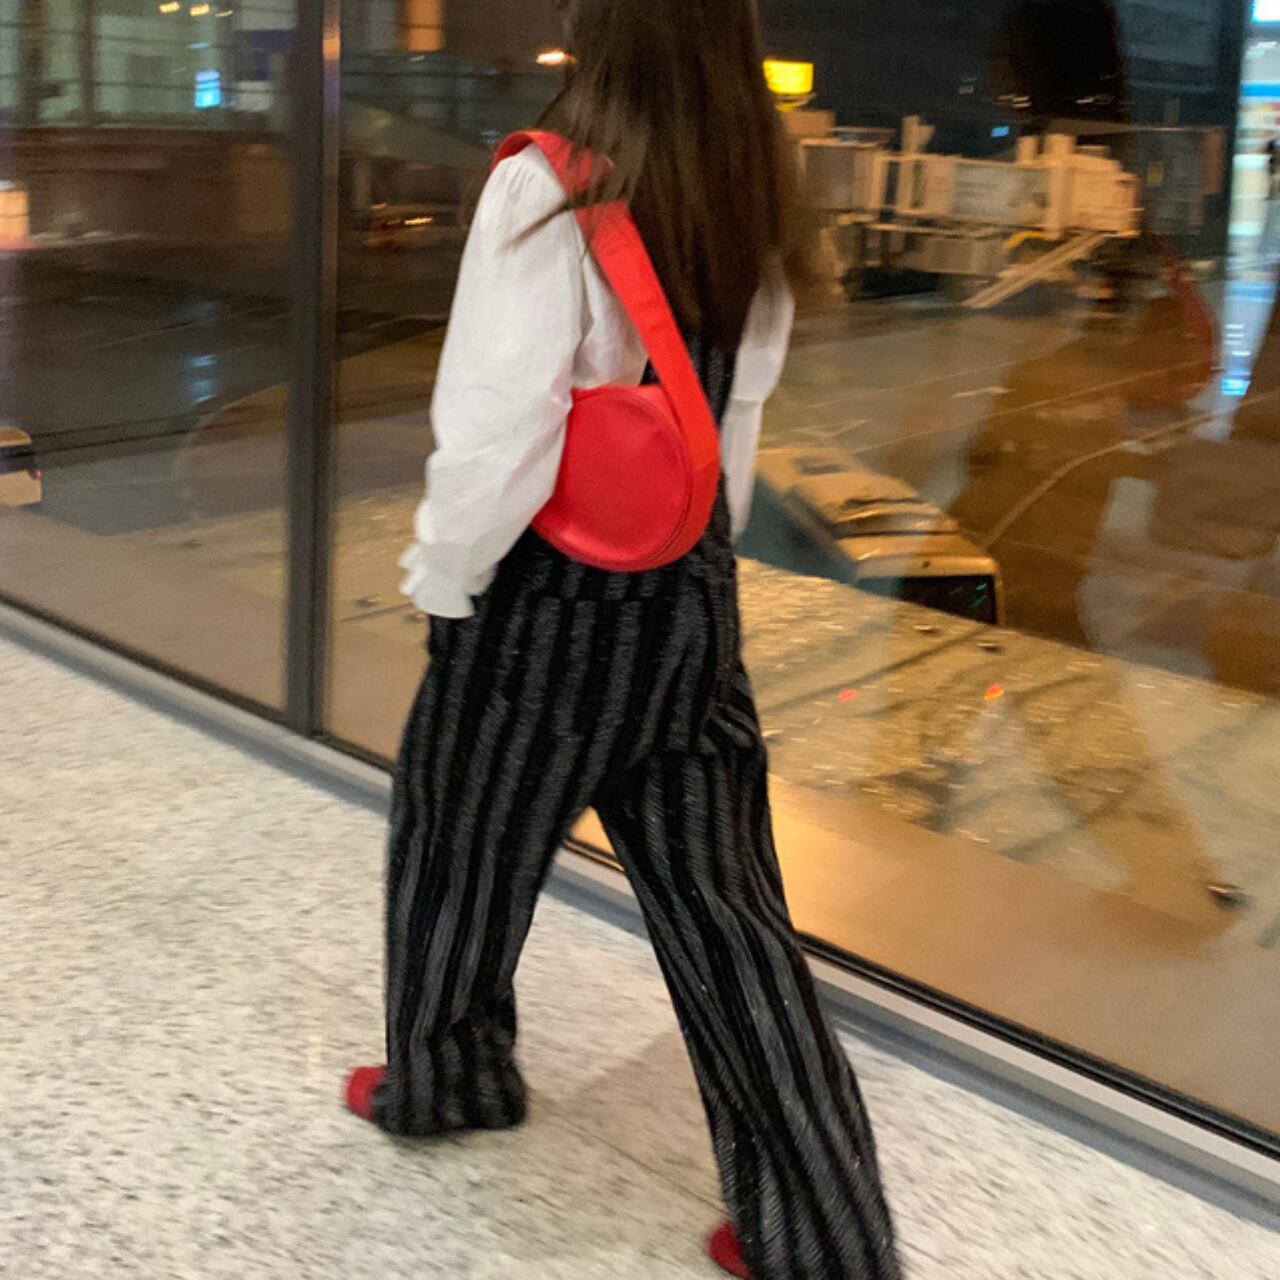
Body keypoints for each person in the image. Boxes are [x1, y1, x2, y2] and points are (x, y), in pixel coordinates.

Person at [345, 1, 902, 1276]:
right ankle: (820, 1225)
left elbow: (500, 423)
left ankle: (448, 1077)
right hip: (690, 594)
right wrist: (693, 570)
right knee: (728, 914)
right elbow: (734, 415)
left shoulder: (545, 184)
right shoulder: (753, 189)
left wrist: (446, 578)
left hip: (546, 607)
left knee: (454, 841)